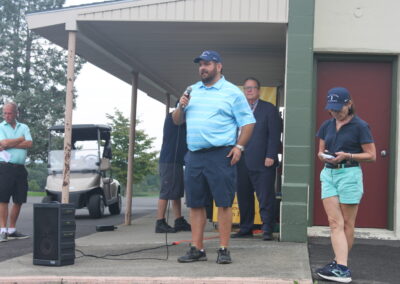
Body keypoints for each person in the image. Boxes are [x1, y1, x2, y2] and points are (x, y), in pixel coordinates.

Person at [173, 50, 255, 264]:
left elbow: (248, 122)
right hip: (194, 156)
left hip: (221, 154)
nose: (203, 67)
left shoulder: (232, 92)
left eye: (207, 64)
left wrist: (239, 147)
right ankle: (196, 248)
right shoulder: (191, 91)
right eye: (200, 64)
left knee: (224, 203)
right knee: (196, 204)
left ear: (219, 66)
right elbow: (176, 120)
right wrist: (181, 105)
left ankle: (224, 249)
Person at [315, 87, 376, 283]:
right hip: (328, 174)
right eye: (331, 109)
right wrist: (323, 155)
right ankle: (340, 266)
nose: (334, 112)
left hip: (349, 174)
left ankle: (340, 265)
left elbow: (371, 155)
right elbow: (321, 149)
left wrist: (348, 155)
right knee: (335, 223)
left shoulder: (361, 126)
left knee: (348, 224)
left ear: (349, 104)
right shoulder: (326, 125)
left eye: (338, 109)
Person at [231, 77, 281, 241]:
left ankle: (267, 229)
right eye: (246, 88)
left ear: (259, 90)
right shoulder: (238, 109)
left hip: (262, 160)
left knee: (265, 196)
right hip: (240, 160)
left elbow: (274, 135)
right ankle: (246, 228)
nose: (249, 91)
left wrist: (271, 155)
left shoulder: (269, 109)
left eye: (252, 88)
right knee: (244, 196)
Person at [0, 102, 33, 242]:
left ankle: (12, 230)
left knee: (19, 199)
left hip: (20, 168)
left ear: (16, 113)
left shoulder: (24, 127)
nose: (7, 116)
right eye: (5, 113)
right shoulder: (1, 127)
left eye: (10, 113)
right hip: (5, 167)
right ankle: (2, 231)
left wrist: (9, 143)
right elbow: (3, 143)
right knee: (3, 199)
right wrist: (20, 139)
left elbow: (29, 143)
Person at [155, 110, 191, 233]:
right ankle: (160, 222)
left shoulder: (183, 120)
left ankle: (178, 220)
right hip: (169, 160)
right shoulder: (174, 117)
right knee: (166, 191)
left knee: (176, 192)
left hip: (177, 161)